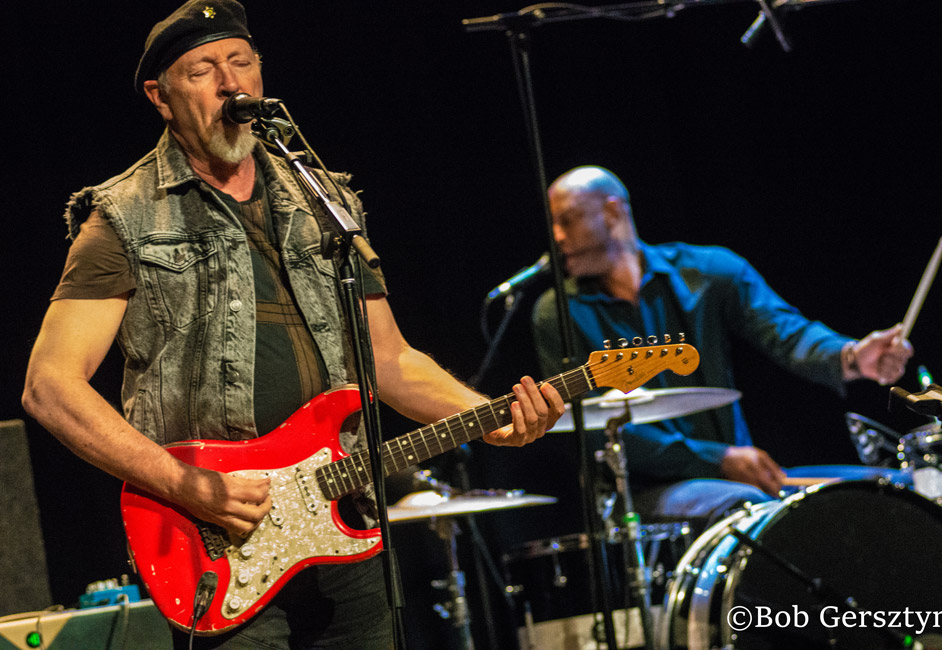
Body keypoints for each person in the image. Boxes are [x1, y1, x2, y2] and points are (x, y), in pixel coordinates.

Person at [21, 2, 564, 649]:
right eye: (202, 70)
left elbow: (388, 359)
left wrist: (489, 416)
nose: (230, 83)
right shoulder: (123, 215)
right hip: (217, 541)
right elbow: (50, 385)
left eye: (240, 62)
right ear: (160, 96)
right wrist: (186, 485)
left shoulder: (324, 200)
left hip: (344, 518)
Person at [531, 165, 912, 528]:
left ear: (612, 212)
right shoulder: (557, 312)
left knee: (895, 489)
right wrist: (718, 459)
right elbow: (593, 426)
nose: (557, 236)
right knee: (744, 506)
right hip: (642, 494)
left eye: (567, 220)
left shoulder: (708, 271)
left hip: (734, 478)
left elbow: (786, 331)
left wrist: (851, 357)